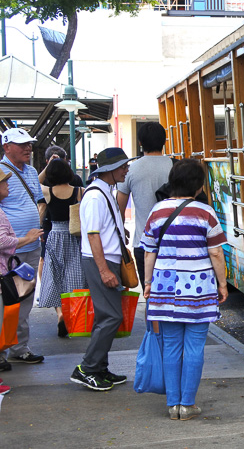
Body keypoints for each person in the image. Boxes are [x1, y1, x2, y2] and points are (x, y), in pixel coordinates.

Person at [140, 159, 227, 420]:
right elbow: (215, 253)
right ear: (199, 186)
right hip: (198, 288)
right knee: (194, 347)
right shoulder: (205, 213)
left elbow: (148, 253)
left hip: (164, 287)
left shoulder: (157, 211)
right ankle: (187, 404)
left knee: (171, 347)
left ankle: (173, 405)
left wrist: (147, 283)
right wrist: (222, 284)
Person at [70, 147, 137, 391]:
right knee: (111, 316)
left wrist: (119, 231)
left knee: (105, 316)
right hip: (101, 260)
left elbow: (99, 230)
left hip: (105, 258)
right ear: (109, 169)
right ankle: (88, 368)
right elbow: (93, 235)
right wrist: (104, 270)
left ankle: (98, 367)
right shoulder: (97, 195)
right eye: (123, 166)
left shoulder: (103, 191)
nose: (126, 170)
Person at [0, 128, 46, 369]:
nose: (28, 148)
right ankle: (2, 352)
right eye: (21, 144)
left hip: (31, 244)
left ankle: (19, 347)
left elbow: (39, 201)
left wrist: (35, 228)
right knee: (6, 300)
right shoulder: (1, 173)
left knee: (26, 297)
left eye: (29, 144)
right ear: (7, 147)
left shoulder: (30, 172)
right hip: (9, 250)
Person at [116, 122, 173, 286]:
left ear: (140, 142)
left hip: (143, 242)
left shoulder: (130, 170)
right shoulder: (176, 167)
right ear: (164, 141)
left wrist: (122, 231)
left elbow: (119, 209)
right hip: (175, 241)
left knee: (150, 294)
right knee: (174, 295)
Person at [38, 159, 86, 338]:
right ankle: (73, 317)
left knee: (55, 277)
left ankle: (60, 314)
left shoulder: (48, 192)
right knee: (74, 277)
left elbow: (35, 182)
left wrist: (47, 167)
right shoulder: (80, 191)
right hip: (74, 236)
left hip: (55, 236)